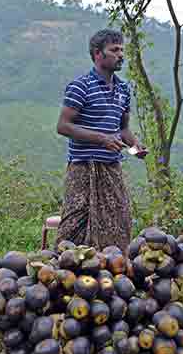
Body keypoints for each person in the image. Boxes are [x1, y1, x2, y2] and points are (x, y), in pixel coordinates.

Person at [55, 29, 148, 254]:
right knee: (75, 224)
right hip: (83, 167)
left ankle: (110, 275)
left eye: (121, 50)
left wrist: (136, 146)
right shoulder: (80, 86)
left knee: (119, 220)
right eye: (114, 50)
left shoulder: (124, 89)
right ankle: (65, 274)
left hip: (111, 167)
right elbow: (63, 126)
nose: (120, 55)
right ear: (98, 54)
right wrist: (101, 139)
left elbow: (123, 128)